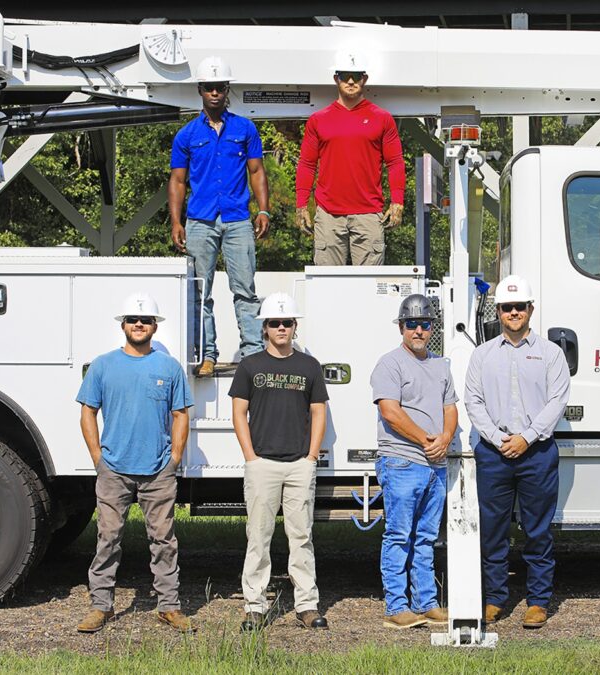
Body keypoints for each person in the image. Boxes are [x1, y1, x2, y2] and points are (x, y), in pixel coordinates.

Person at [75, 293, 194, 634]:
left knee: (164, 540)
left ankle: (168, 607)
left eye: (144, 320)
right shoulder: (103, 365)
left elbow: (180, 415)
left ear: (155, 326)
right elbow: (87, 412)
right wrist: (98, 458)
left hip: (158, 471)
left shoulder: (168, 367)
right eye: (132, 319)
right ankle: (101, 606)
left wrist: (174, 459)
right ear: (123, 325)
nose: (138, 324)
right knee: (108, 537)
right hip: (114, 469)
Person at [465, 275, 570, 630]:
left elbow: (557, 401)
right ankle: (495, 598)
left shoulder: (551, 354)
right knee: (493, 529)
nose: (513, 312)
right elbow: (473, 402)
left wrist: (526, 437)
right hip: (494, 453)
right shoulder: (482, 355)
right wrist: (497, 438)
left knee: (537, 529)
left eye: (519, 307)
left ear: (530, 310)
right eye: (507, 307)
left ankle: (538, 601)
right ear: (498, 311)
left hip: (536, 452)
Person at [230, 292, 330, 632]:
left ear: (295, 326)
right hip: (262, 465)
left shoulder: (309, 366)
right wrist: (250, 457)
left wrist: (311, 456)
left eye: (287, 322)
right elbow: (238, 413)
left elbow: (319, 413)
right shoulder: (250, 366)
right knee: (258, 537)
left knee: (301, 537)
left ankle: (306, 605)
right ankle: (254, 607)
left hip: (299, 465)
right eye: (275, 323)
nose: (281, 327)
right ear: (265, 328)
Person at [169, 56, 270, 377]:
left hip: (238, 218)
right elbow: (177, 181)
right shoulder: (186, 135)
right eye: (209, 88)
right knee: (199, 290)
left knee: (245, 288)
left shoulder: (245, 128)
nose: (215, 92)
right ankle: (206, 354)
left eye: (220, 88)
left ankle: (253, 352)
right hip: (199, 220)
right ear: (200, 90)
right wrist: (175, 221)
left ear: (228, 90)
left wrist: (264, 209)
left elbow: (257, 171)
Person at [370, 294, 457, 630]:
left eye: (424, 324)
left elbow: (451, 409)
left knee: (425, 537)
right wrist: (426, 440)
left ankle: (426, 603)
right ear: (401, 327)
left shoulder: (441, 365)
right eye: (412, 324)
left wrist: (445, 439)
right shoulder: (389, 364)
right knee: (399, 535)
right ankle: (396, 607)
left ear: (432, 327)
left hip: (434, 463)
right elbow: (390, 412)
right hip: (402, 461)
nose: (418, 330)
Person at [295, 51, 405, 266]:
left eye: (356, 76)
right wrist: (301, 206)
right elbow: (307, 165)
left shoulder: (382, 118)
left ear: (365, 79)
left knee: (369, 287)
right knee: (328, 285)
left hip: (369, 214)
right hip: (328, 215)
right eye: (345, 76)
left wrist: (398, 202)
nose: (351, 81)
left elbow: (395, 163)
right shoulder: (318, 120)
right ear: (336, 79)